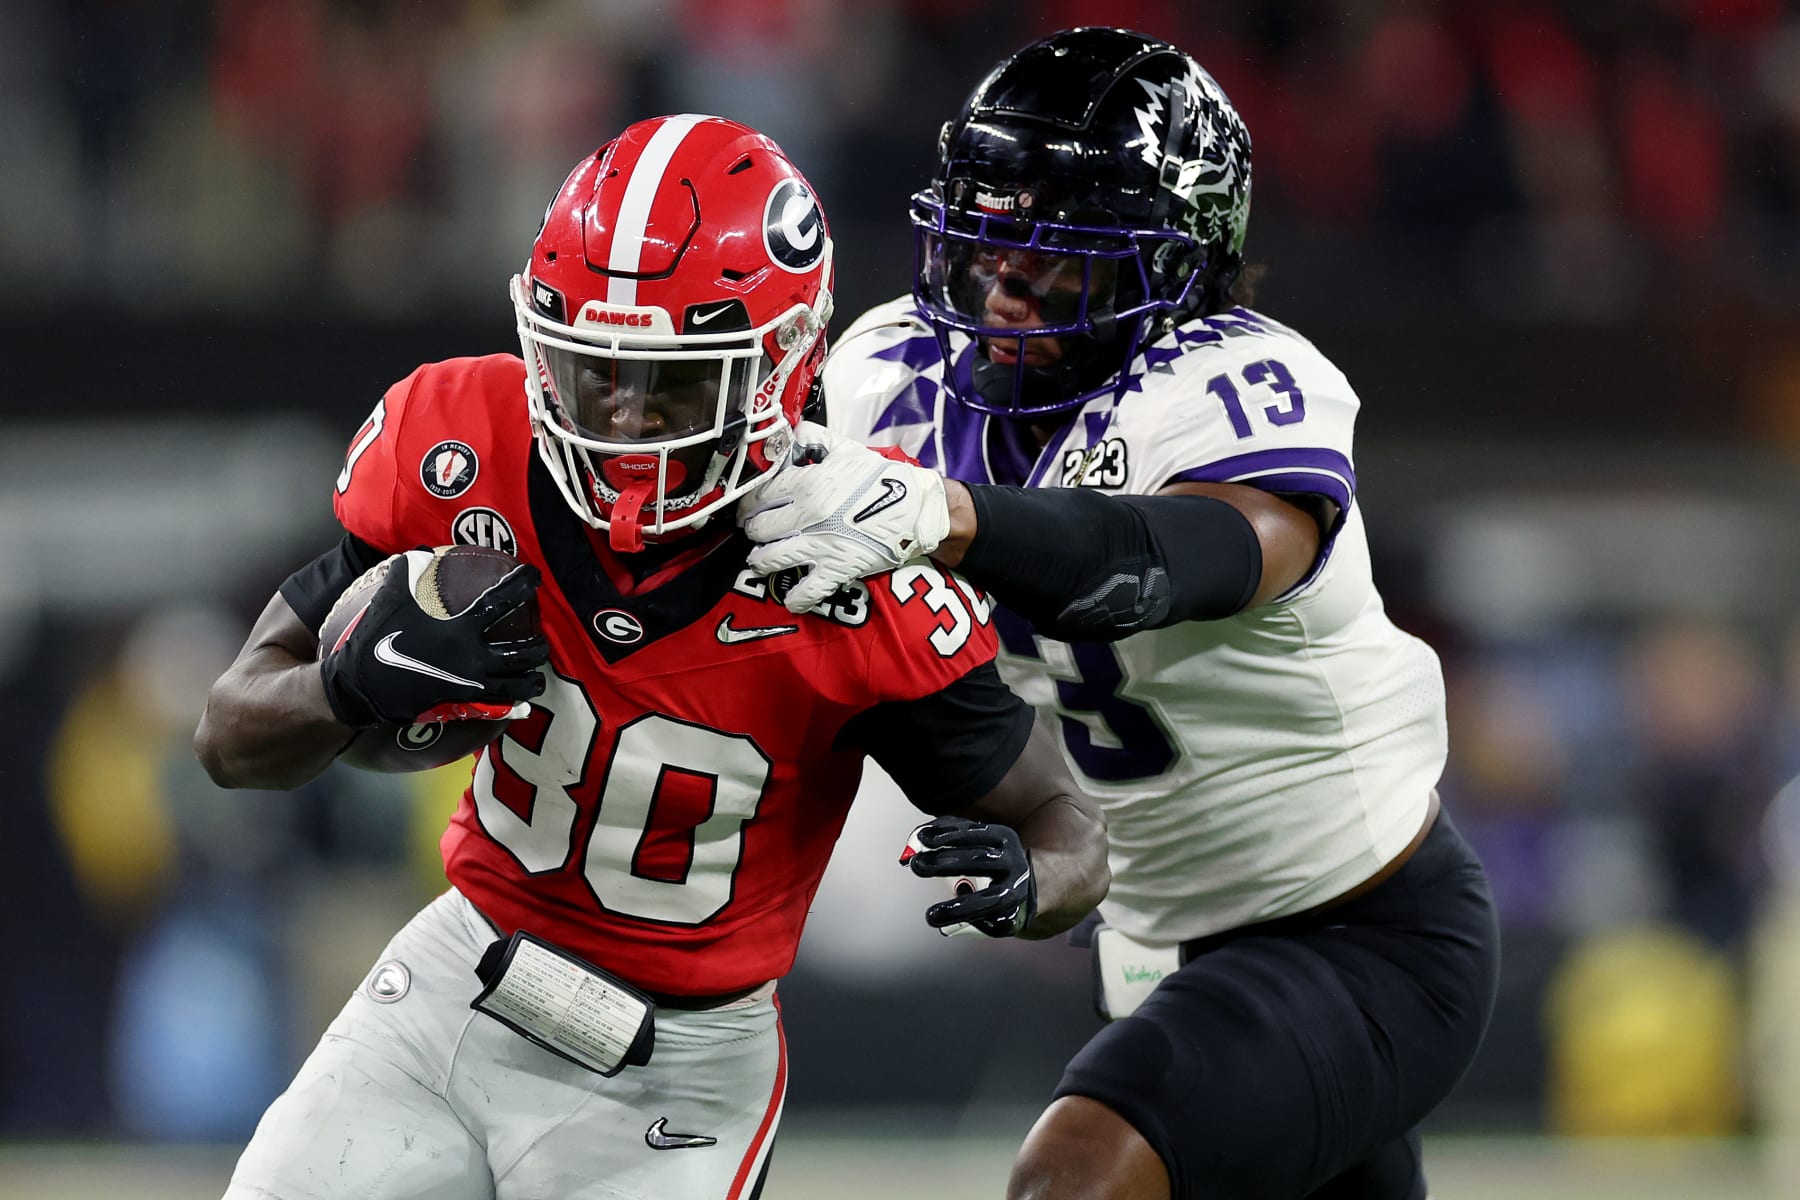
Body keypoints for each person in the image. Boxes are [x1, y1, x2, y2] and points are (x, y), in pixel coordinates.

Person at [193, 113, 1108, 1200]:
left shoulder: (857, 575)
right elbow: (228, 735)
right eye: (592, 376)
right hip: (457, 979)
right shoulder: (465, 450)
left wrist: (1031, 886)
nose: (624, 427)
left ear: (782, 368)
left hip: (677, 1073)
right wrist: (341, 685)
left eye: (670, 386)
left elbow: (1070, 826)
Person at [736, 29, 1500, 1200]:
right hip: (1141, 945)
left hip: (1356, 934)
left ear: (1181, 269)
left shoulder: (1239, 383)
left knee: (1074, 1181)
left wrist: (943, 514)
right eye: (992, 236)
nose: (1006, 279)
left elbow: (1161, 563)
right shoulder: (888, 373)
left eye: (1061, 254)